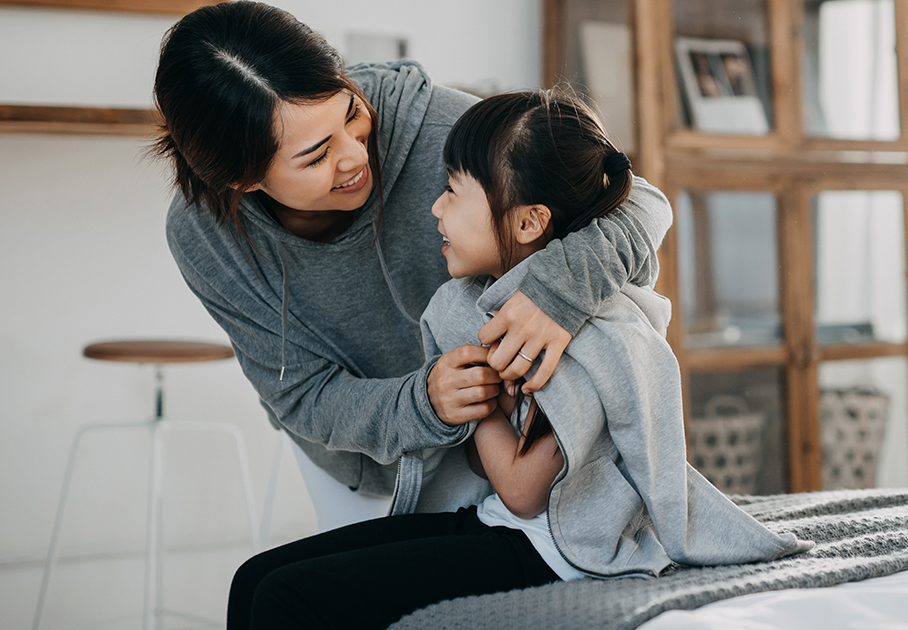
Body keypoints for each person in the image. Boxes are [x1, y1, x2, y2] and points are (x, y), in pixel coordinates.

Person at [227, 89, 810, 630]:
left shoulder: (573, 337)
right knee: (253, 578)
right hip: (505, 525)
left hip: (559, 551)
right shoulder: (488, 305)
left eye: (452, 191)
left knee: (285, 596)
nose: (435, 208)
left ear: (529, 221)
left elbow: (523, 490)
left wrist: (478, 404)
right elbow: (488, 470)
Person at [153, 0, 673, 526]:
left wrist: (557, 291)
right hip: (361, 467)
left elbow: (639, 202)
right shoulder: (204, 236)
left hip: (512, 452)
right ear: (241, 180)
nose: (355, 155)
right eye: (317, 156)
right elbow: (302, 395)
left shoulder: (439, 125)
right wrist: (423, 402)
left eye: (351, 114)